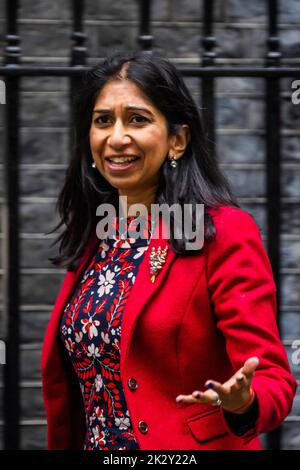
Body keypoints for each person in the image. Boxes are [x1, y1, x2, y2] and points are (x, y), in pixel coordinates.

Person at [41, 51, 296, 451]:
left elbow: (273, 379)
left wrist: (242, 400)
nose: (117, 137)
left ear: (177, 139)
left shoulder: (221, 232)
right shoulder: (96, 236)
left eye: (137, 119)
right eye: (103, 120)